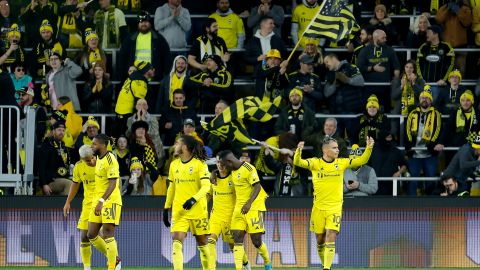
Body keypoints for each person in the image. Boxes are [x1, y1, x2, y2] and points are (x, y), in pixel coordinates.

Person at [293, 136, 375, 270]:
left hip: (335, 206)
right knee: (320, 240)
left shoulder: (341, 163)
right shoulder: (315, 163)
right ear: (325, 150)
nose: (338, 150)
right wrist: (298, 150)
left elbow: (362, 160)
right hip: (318, 207)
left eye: (337, 147)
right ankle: (326, 264)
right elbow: (298, 162)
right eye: (334, 148)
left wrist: (369, 147)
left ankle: (327, 268)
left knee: (331, 234)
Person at [163, 135, 211, 270]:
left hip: (198, 210)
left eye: (177, 143)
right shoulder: (174, 164)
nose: (174, 146)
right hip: (179, 211)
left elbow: (206, 187)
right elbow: (171, 187)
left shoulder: (199, 164)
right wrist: (166, 207)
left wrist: (193, 199)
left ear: (184, 147)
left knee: (202, 244)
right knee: (176, 241)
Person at [218, 150, 271, 270]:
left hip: (253, 207)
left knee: (256, 242)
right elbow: (221, 173)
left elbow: (257, 186)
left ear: (229, 162)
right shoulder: (231, 169)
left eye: (224, 165)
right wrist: (214, 173)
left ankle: (267, 262)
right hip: (239, 208)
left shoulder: (248, 168)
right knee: (237, 238)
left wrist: (248, 204)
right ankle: (239, 268)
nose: (224, 167)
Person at [208, 155, 251, 270]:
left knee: (233, 246)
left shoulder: (234, 178)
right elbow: (209, 195)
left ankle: (246, 263)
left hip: (231, 218)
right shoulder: (213, 178)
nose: (220, 165)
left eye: (222, 163)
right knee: (210, 241)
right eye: (218, 162)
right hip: (216, 217)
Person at [63, 145, 101, 270]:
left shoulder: (103, 163)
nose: (90, 161)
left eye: (91, 159)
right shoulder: (79, 167)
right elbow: (75, 185)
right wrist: (68, 202)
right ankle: (87, 267)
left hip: (103, 202)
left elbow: (114, 181)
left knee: (103, 234)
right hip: (88, 204)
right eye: (87, 160)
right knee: (84, 236)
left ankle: (114, 260)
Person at [87, 134, 122, 270]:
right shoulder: (99, 159)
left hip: (110, 201)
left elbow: (113, 184)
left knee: (107, 233)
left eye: (94, 144)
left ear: (103, 145)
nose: (92, 146)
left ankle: (111, 266)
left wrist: (102, 201)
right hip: (98, 200)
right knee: (91, 234)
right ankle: (114, 258)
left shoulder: (110, 159)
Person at [405, 90, 443, 196]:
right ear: (419, 100)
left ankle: (430, 204)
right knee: (413, 180)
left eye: (427, 97)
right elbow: (407, 129)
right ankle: (411, 205)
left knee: (430, 180)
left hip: (429, 154)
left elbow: (438, 129)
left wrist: (432, 143)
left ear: (430, 101)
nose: (424, 99)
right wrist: (409, 142)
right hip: (415, 153)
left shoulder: (436, 113)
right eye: (422, 97)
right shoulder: (413, 113)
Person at [119, 10, 171, 81]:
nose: (144, 24)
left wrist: (165, 76)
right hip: (134, 78)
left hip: (153, 79)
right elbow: (122, 58)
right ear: (138, 23)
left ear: (150, 23)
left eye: (146, 21)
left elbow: (166, 57)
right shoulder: (130, 39)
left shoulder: (159, 39)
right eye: (141, 22)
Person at [357, 29, 400, 112]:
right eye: (383, 38)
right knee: (369, 112)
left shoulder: (389, 50)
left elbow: (396, 67)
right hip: (369, 88)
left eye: (385, 37)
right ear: (376, 38)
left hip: (385, 88)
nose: (385, 39)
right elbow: (360, 67)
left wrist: (395, 80)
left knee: (386, 112)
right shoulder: (365, 51)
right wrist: (373, 68)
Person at [323, 53, 365, 137]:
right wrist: (334, 84)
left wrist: (347, 80)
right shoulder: (329, 74)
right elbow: (326, 93)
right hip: (335, 112)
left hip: (351, 110)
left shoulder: (350, 67)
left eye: (327, 61)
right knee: (336, 141)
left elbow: (361, 81)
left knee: (353, 138)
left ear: (333, 58)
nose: (326, 65)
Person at [114, 60, 155, 137]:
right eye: (151, 68)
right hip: (127, 114)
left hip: (120, 112)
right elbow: (140, 103)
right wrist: (140, 119)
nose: (153, 70)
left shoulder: (133, 77)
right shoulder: (139, 82)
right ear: (146, 71)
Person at [416, 25, 455, 101]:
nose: (426, 34)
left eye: (429, 33)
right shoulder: (423, 47)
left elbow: (451, 65)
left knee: (436, 107)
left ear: (436, 34)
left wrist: (444, 80)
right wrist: (421, 79)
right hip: (425, 85)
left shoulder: (446, 47)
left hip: (440, 85)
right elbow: (418, 65)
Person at [38, 121, 72, 195]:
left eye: (63, 131)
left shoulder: (63, 146)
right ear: (53, 131)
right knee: (69, 184)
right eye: (59, 130)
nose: (61, 132)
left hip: (62, 177)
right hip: (50, 181)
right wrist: (44, 184)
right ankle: (66, 206)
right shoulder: (47, 145)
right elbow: (41, 166)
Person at [368, 130, 408, 195]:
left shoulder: (396, 151)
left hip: (391, 185)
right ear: (382, 137)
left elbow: (404, 164)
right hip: (375, 184)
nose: (389, 139)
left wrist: (398, 173)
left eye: (390, 137)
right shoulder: (372, 150)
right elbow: (366, 166)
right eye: (387, 137)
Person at [126, 99, 164, 164]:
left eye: (144, 104)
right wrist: (137, 120)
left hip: (152, 148)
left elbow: (154, 134)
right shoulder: (130, 119)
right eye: (139, 104)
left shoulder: (153, 118)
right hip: (136, 148)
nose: (142, 106)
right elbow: (129, 134)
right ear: (136, 107)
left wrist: (143, 119)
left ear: (147, 107)